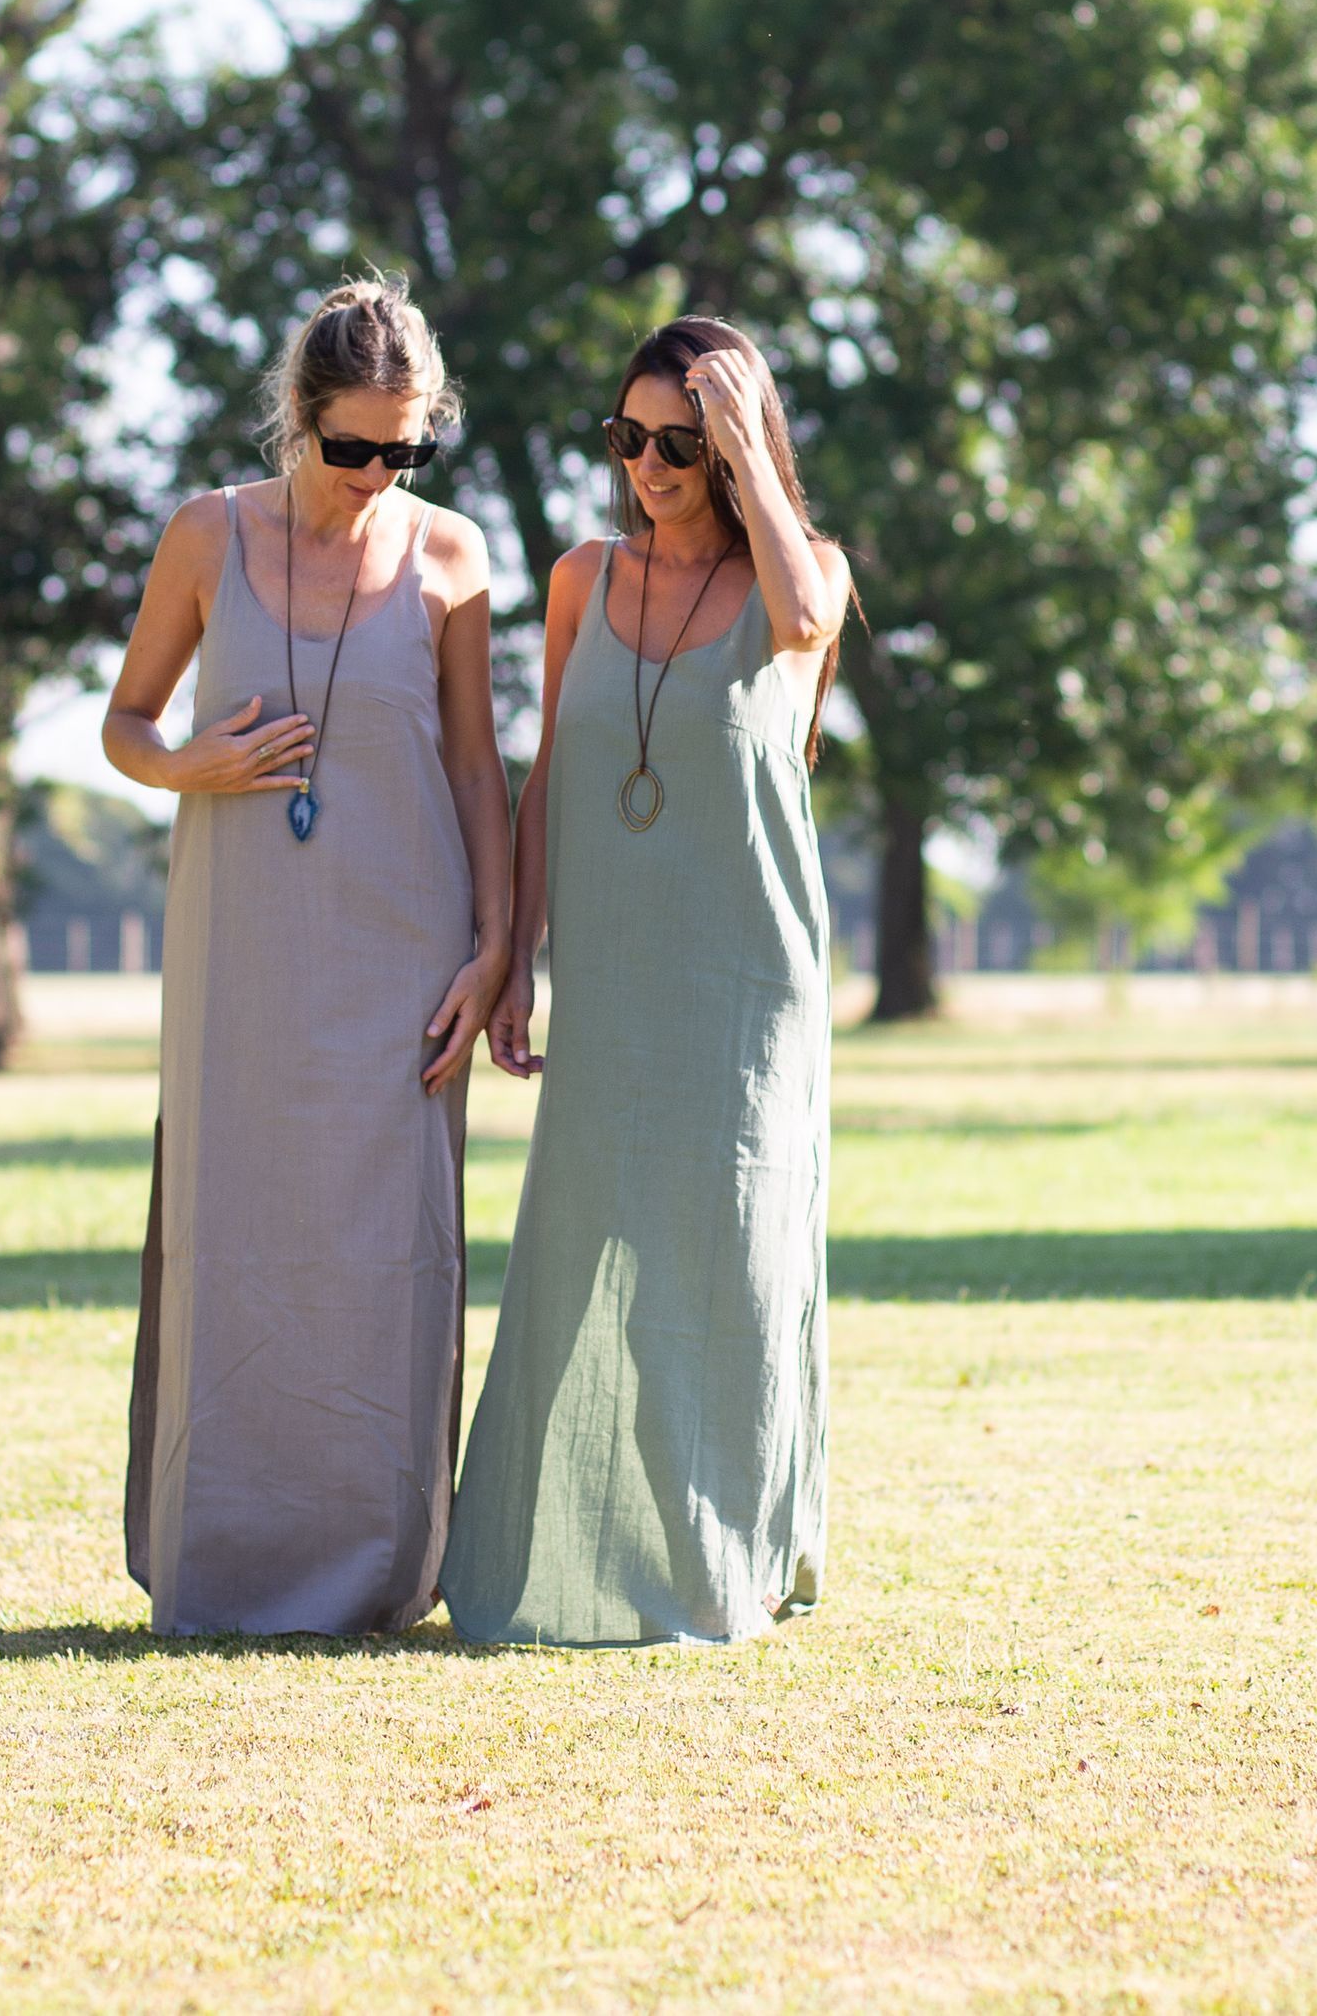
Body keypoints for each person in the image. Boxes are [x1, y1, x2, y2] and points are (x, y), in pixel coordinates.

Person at [104, 273, 511, 1638]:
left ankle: (382, 1573)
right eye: (354, 448)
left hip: (408, 952)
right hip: (245, 961)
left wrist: (501, 946)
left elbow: (474, 765)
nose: (377, 474)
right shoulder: (206, 537)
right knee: (240, 1242)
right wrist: (190, 763)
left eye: (406, 448)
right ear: (297, 419)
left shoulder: (453, 557)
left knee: (389, 1254)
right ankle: (222, 1563)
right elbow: (124, 723)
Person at [441, 315, 849, 1648]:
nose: (651, 464)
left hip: (750, 980)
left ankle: (727, 1564)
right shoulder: (581, 578)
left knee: (729, 1259)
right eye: (630, 437)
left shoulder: (809, 569)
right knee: (574, 1246)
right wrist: (516, 945)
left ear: (732, 447)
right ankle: (531, 1559)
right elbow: (550, 768)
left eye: (681, 441)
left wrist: (747, 443)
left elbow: (797, 621)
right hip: (611, 978)